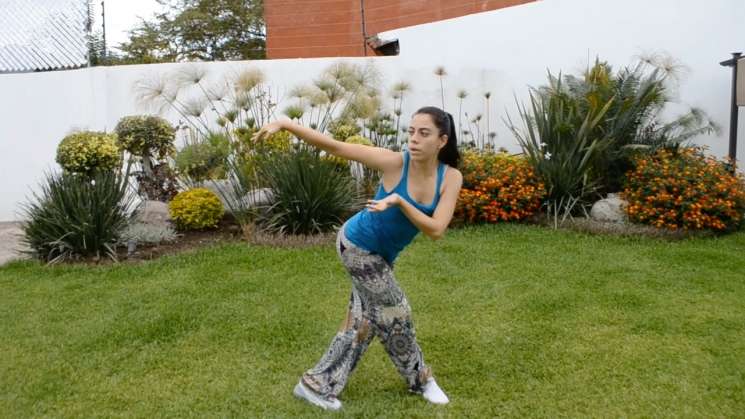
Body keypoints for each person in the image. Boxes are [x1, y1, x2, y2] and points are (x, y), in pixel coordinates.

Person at [253, 106, 463, 411]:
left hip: (382, 254)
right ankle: (421, 380)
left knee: (364, 321)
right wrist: (287, 125)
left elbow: (436, 230)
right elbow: (337, 148)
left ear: (442, 141)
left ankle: (315, 385)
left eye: (424, 133)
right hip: (356, 245)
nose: (414, 139)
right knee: (395, 309)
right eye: (411, 131)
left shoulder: (450, 178)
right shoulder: (394, 162)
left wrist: (400, 201)